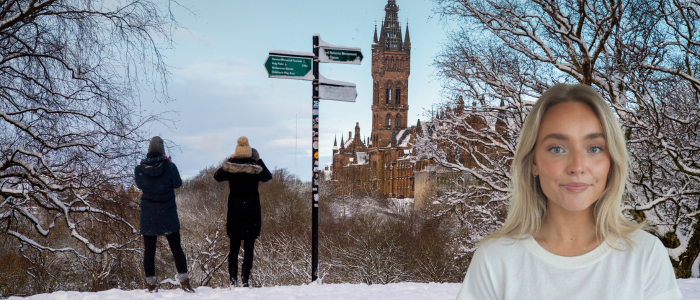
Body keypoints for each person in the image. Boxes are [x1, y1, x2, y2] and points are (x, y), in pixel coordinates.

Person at [456, 84, 682, 300]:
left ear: (611, 161)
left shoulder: (645, 255)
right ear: (534, 161)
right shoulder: (495, 259)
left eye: (594, 148)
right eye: (557, 149)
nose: (577, 165)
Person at [134, 136, 194, 293]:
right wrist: (168, 164)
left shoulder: (139, 169)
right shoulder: (170, 166)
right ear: (162, 151)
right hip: (168, 215)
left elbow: (140, 184)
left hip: (149, 216)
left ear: (149, 150)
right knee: (176, 249)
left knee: (149, 251)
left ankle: (151, 286)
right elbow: (178, 184)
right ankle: (185, 283)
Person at [214, 136, 272, 288]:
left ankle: (233, 281)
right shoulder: (254, 168)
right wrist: (257, 160)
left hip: (235, 211)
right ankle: (245, 280)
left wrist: (230, 160)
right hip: (251, 212)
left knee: (234, 246)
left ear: (236, 153)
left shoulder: (231, 168)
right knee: (249, 247)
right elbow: (268, 176)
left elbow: (217, 176)